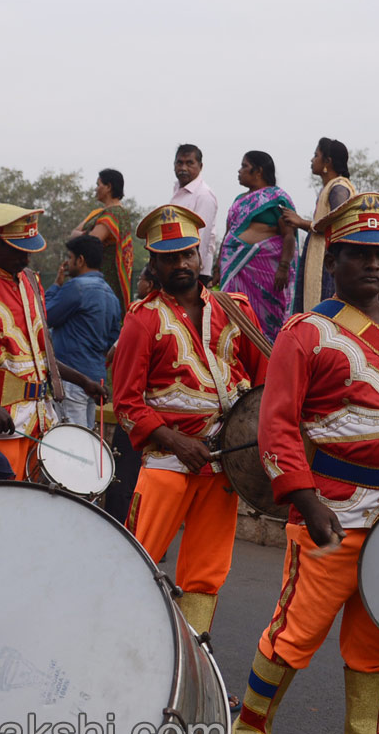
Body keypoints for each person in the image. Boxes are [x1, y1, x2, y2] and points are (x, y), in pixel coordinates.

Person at [232, 192, 379, 734]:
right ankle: (249, 732)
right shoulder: (307, 332)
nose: (373, 266)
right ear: (335, 261)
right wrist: (303, 499)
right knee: (296, 630)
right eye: (359, 255)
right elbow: (276, 426)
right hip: (333, 509)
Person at [112, 204, 267, 637]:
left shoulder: (236, 309)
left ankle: (195, 660)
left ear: (201, 256)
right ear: (154, 264)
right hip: (167, 463)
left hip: (224, 469)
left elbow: (265, 387)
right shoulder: (141, 321)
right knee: (136, 561)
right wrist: (178, 442)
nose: (180, 263)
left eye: (187, 253)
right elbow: (126, 404)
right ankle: (125, 653)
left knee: (205, 576)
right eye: (168, 257)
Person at [0, 204, 105, 478]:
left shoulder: (32, 281)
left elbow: (42, 357)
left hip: (43, 418)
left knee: (39, 501)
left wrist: (83, 381)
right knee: (4, 501)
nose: (26, 259)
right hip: (4, 421)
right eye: (18, 251)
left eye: (28, 251)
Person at [216, 151, 299, 340]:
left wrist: (284, 267)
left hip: (266, 275)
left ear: (258, 171)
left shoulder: (277, 198)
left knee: (266, 321)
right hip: (235, 270)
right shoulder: (239, 201)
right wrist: (217, 267)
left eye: (244, 166)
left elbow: (288, 235)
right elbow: (230, 234)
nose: (239, 170)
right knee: (233, 314)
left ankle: (266, 355)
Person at [45, 234, 120, 428]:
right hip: (95, 377)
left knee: (72, 441)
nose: (68, 263)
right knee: (86, 436)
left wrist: (55, 286)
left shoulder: (76, 287)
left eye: (70, 258)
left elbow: (46, 317)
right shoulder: (110, 294)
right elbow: (113, 340)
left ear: (80, 260)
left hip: (72, 378)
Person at [284, 137, 357, 313]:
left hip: (331, 260)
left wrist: (302, 222)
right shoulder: (330, 187)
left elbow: (338, 221)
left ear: (327, 162)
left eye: (316, 155)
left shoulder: (339, 188)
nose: (312, 160)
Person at [72, 168, 133, 309]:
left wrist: (82, 235)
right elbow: (74, 234)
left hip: (106, 278)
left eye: (98, 184)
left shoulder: (113, 214)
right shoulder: (101, 213)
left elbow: (89, 243)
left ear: (108, 187)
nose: (95, 189)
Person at [170, 145, 218, 284]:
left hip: (192, 271)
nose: (183, 168)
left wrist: (194, 269)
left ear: (200, 166)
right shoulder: (179, 191)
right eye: (180, 163)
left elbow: (202, 237)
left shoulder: (203, 195)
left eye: (189, 163)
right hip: (178, 266)